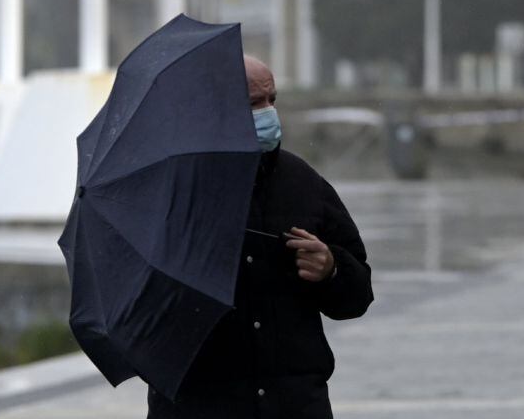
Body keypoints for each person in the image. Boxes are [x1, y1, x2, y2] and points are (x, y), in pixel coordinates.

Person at [145, 55, 374, 418]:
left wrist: (331, 268)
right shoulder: (173, 189)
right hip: (201, 404)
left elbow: (358, 295)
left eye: (272, 100)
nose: (268, 112)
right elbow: (147, 310)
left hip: (295, 404)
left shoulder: (302, 182)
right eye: (254, 103)